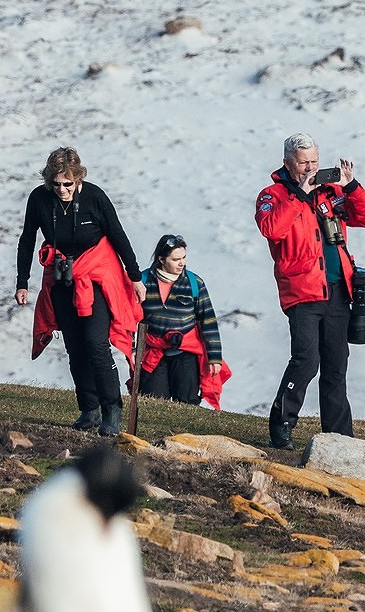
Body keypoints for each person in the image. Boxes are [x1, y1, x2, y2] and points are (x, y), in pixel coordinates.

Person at [255, 133, 365, 449]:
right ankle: (282, 426)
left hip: (338, 291)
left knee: (336, 364)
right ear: (287, 163)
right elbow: (272, 229)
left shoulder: (331, 193)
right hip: (302, 292)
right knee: (306, 361)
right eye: (303, 163)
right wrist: (299, 194)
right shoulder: (273, 195)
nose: (310, 168)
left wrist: (351, 185)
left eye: (314, 161)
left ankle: (339, 437)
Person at [13, 148, 139, 432]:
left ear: (78, 178)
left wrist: (135, 276)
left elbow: (118, 235)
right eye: (56, 184)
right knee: (75, 348)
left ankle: (112, 410)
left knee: (96, 343)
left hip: (94, 278)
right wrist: (22, 281)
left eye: (68, 184)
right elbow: (27, 239)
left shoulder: (94, 197)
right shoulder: (39, 198)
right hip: (61, 278)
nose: (62, 190)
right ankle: (89, 409)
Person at [139, 235, 230, 408]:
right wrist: (132, 350)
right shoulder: (142, 281)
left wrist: (215, 357)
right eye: (175, 259)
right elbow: (129, 318)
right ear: (161, 259)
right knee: (153, 403)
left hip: (186, 353)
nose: (181, 263)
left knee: (187, 401)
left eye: (183, 258)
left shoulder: (194, 283)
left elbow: (208, 321)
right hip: (154, 353)